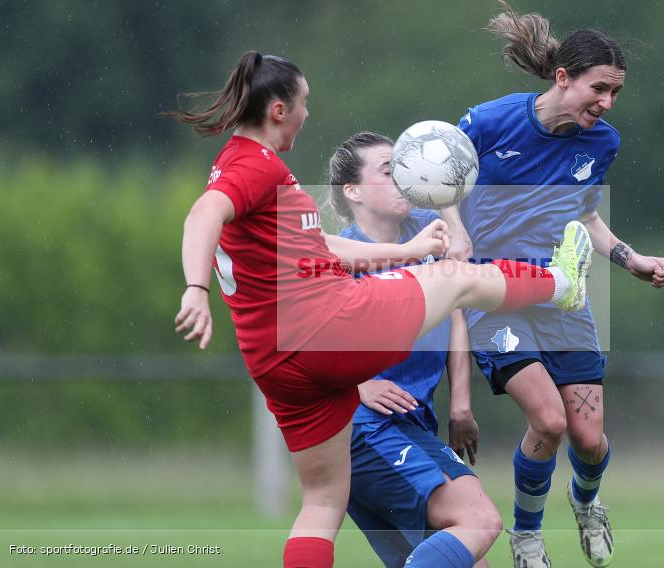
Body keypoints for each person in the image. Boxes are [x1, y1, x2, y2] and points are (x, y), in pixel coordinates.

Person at [168, 51, 594, 568]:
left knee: (322, 504)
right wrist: (195, 287)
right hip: (327, 329)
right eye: (304, 104)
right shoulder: (255, 167)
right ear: (279, 110)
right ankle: (560, 282)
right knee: (456, 279)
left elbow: (316, 246)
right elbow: (202, 214)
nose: (307, 115)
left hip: (278, 363)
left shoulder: (240, 162)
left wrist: (407, 254)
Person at [441, 2, 664, 568]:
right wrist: (454, 230)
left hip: (559, 295)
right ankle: (526, 536)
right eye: (599, 88)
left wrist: (630, 257)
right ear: (563, 78)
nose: (608, 103)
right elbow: (437, 176)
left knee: (588, 439)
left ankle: (587, 502)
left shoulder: (602, 142)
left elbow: (585, 215)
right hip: (494, 295)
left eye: (616, 92)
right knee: (548, 421)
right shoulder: (490, 121)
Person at [328, 131, 500, 567]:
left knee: (466, 556)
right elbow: (306, 335)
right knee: (478, 519)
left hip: (411, 424)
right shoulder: (344, 258)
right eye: (389, 170)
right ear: (353, 191)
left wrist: (460, 405)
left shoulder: (429, 235)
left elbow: (457, 309)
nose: (402, 178)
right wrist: (358, 384)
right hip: (364, 429)